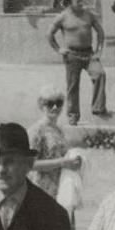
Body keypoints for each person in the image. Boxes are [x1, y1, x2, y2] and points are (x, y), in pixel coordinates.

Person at [48, 0, 110, 125]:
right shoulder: (63, 17)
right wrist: (59, 49)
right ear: (70, 3)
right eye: (78, 2)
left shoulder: (88, 15)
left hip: (89, 54)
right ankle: (73, 115)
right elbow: (50, 35)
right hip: (72, 55)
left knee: (100, 74)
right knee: (73, 86)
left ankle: (98, 109)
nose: (81, 3)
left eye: (81, 0)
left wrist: (99, 51)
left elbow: (100, 32)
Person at [28, 87, 86, 222]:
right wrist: (61, 162)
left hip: (63, 189)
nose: (55, 107)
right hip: (42, 191)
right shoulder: (36, 131)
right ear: (41, 105)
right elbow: (29, 164)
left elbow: (65, 155)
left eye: (59, 103)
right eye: (50, 103)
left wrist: (76, 160)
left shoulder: (59, 130)